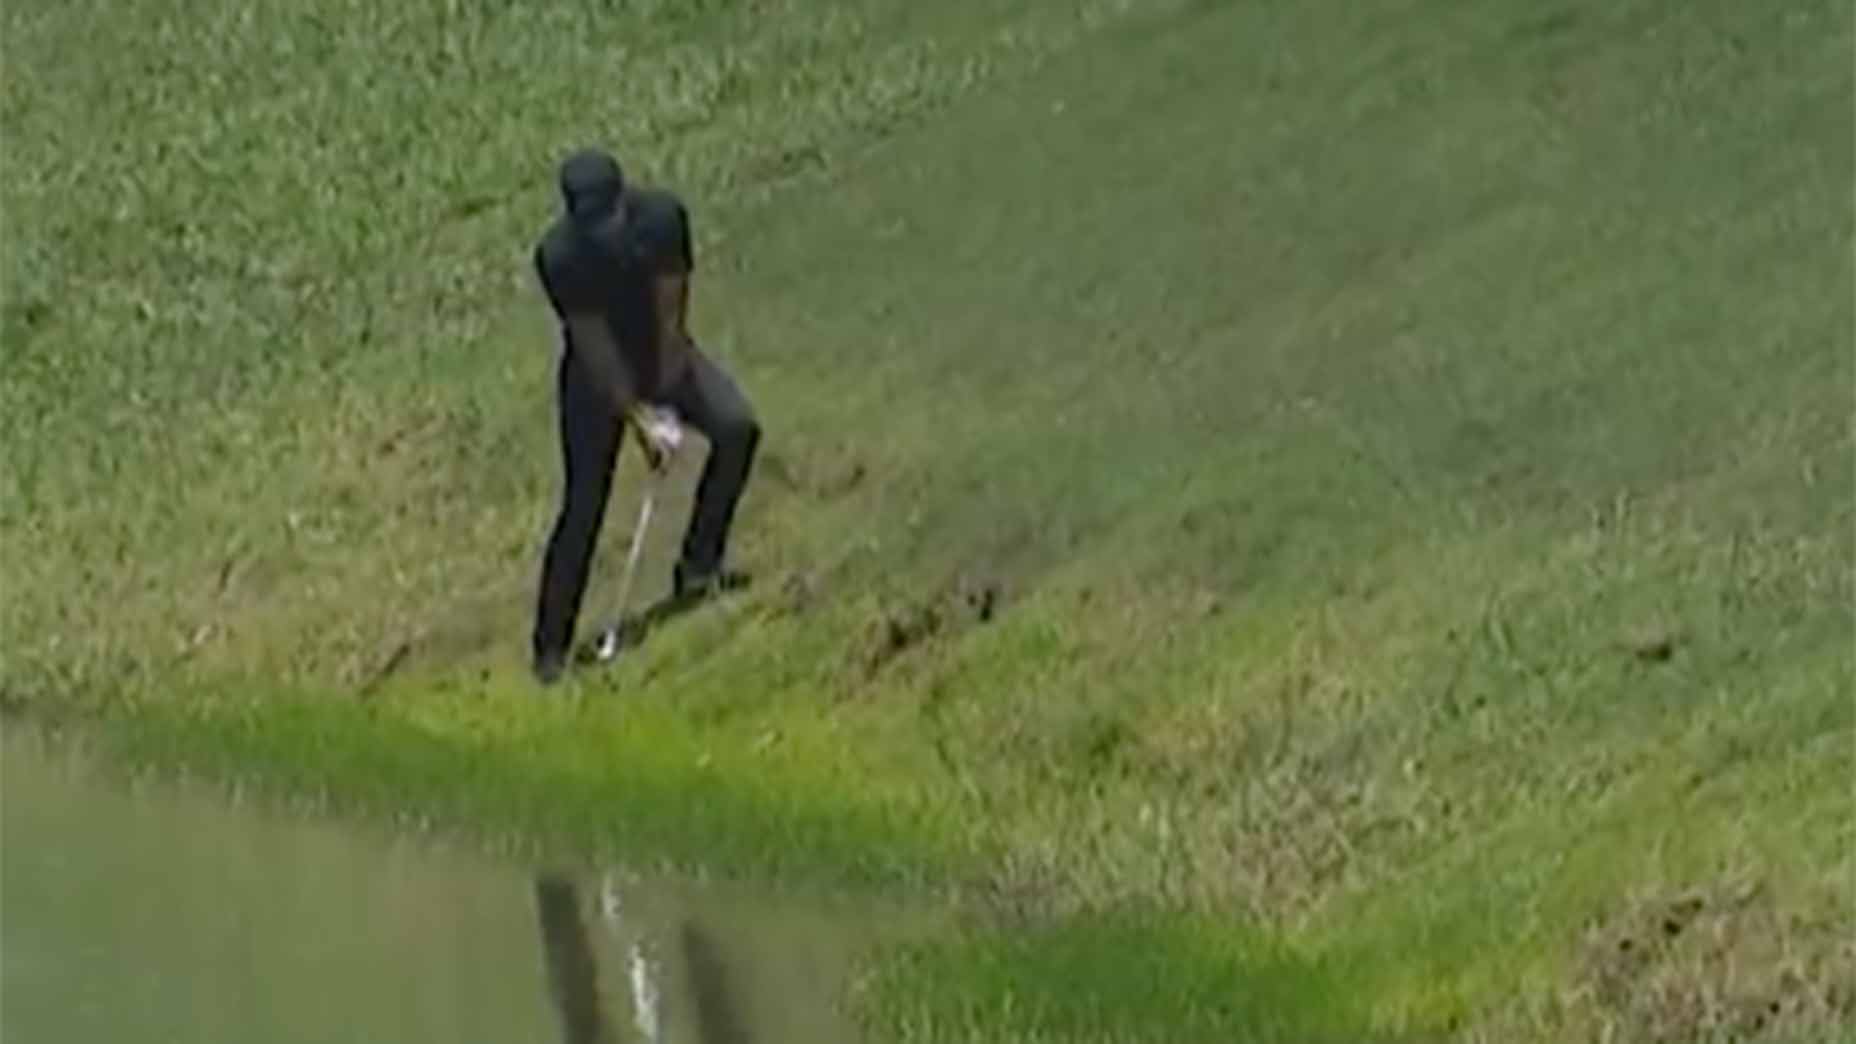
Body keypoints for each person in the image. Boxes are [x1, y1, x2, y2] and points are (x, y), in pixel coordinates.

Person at [529, 147, 761, 685]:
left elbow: (671, 308)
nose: (603, 230)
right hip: (593, 380)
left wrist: (669, 385)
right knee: (584, 504)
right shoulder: (561, 257)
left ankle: (699, 565)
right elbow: (593, 348)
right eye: (591, 222)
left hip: (660, 351)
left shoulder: (660, 219)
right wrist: (641, 422)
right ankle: (551, 646)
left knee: (737, 428)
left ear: (623, 200)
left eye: (608, 216)